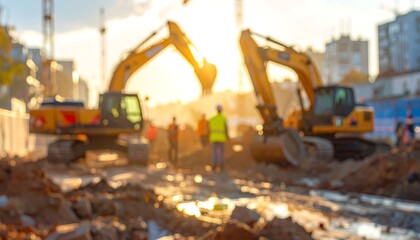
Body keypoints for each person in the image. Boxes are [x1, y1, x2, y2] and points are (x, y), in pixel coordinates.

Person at [208, 104, 229, 172]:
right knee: (221, 152)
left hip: (214, 138)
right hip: (221, 138)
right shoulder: (223, 118)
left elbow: (209, 129)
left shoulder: (212, 119)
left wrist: (208, 137)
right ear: (221, 110)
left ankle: (214, 166)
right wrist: (228, 137)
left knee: (214, 152)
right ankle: (221, 166)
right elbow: (226, 129)